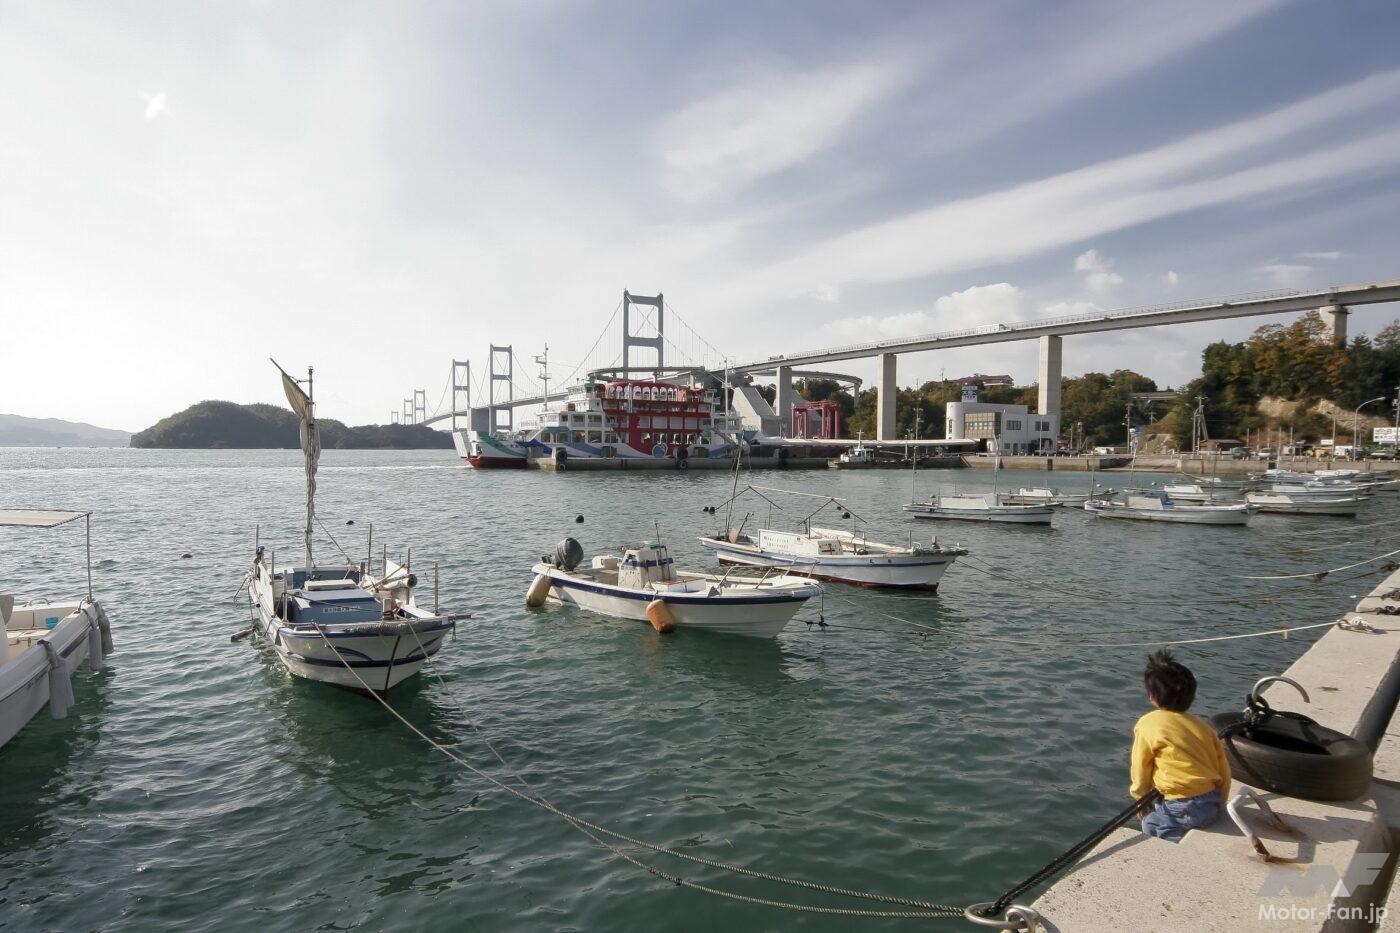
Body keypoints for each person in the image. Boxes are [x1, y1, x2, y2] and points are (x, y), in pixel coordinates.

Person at [1130, 650, 1232, 842]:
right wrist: (1222, 800)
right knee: (1169, 812)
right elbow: (1224, 769)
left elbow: (1140, 767)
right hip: (1212, 800)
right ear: (1191, 697)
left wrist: (1139, 798)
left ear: (1152, 695)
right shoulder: (1203, 728)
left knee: (1151, 824)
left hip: (1184, 804)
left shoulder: (1148, 723)